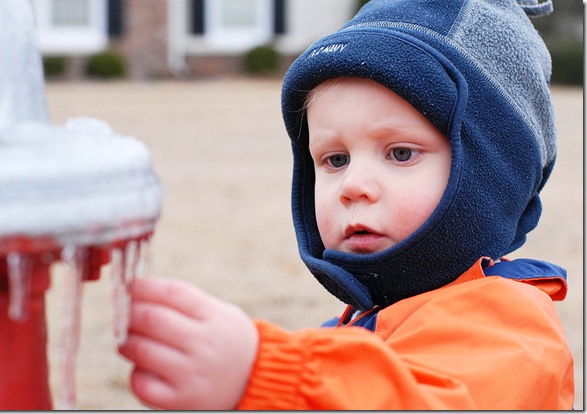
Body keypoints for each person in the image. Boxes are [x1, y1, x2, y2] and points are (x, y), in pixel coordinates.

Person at [117, 0, 575, 409]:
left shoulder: (509, 328)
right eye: (334, 159)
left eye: (400, 153)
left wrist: (268, 376)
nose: (353, 185)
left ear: (488, 180)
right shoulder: (353, 329)